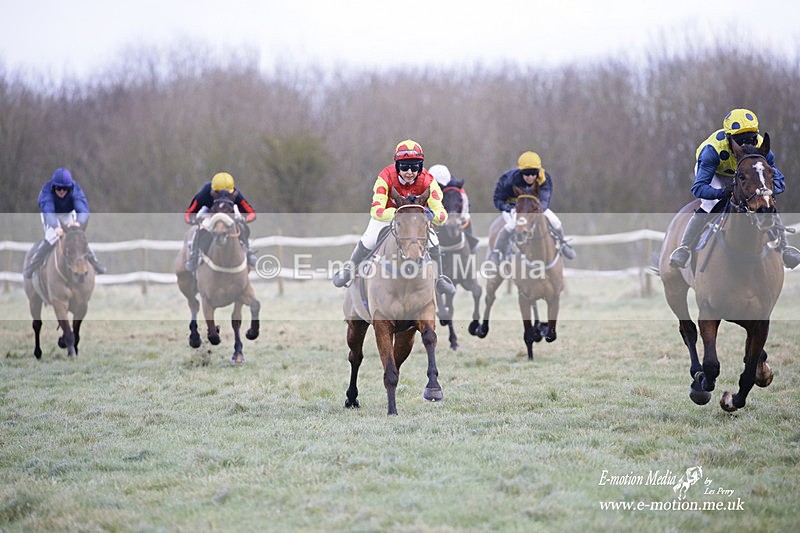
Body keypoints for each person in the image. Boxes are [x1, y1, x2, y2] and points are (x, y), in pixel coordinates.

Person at [669, 108, 800, 269]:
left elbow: (778, 179)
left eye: (751, 139)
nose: (746, 145)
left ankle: (785, 248)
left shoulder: (762, 148)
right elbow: (698, 188)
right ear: (729, 139)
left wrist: (767, 191)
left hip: (747, 173)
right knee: (710, 204)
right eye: (741, 140)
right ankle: (685, 248)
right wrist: (722, 192)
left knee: (766, 200)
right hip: (715, 173)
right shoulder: (712, 151)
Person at [332, 139, 456, 295]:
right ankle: (348, 271)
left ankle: (440, 279)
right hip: (387, 217)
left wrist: (430, 216)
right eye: (405, 166)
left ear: (420, 166)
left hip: (415, 221)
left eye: (414, 166)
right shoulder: (384, 177)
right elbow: (376, 211)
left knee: (434, 241)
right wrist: (398, 215)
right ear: (397, 166)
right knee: (369, 240)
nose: (410, 172)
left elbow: (442, 214)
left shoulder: (429, 181)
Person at [488, 151, 576, 263]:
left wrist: (535, 211)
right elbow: (497, 199)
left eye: (533, 173)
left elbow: (544, 200)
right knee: (512, 224)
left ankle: (563, 244)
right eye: (527, 174)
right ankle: (497, 252)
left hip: (534, 207)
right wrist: (508, 207)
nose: (530, 177)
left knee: (555, 221)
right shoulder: (508, 179)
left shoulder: (544, 179)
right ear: (521, 173)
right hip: (513, 205)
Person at [23, 167, 106, 279]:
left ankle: (95, 262)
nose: (62, 191)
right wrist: (56, 227)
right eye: (58, 188)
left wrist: (78, 223)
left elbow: (83, 210)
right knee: (51, 237)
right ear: (53, 187)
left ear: (70, 187)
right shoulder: (46, 192)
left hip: (67, 213)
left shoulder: (76, 190)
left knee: (77, 237)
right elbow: (48, 212)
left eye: (65, 188)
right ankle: (32, 266)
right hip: (50, 214)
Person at [183, 172, 258, 272]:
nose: (224, 196)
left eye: (227, 194)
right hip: (210, 213)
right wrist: (195, 220)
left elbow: (251, 213)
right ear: (213, 191)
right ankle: (194, 255)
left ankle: (248, 250)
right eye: (219, 194)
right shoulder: (205, 192)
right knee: (202, 227)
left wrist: (243, 219)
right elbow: (189, 214)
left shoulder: (235, 193)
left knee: (241, 226)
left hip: (228, 214)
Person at [428, 164, 480, 253]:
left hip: (454, 215)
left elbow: (465, 204)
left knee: (467, 218)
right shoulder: (428, 188)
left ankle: (472, 245)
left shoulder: (455, 188)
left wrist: (460, 217)